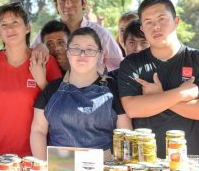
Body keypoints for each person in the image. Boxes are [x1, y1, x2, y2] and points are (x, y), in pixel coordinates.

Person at [118, 0, 199, 171]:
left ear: (176, 21)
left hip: (195, 165)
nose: (156, 26)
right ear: (142, 28)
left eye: (162, 19)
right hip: (148, 166)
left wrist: (158, 96)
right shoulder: (131, 64)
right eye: (148, 22)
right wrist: (181, 94)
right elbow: (133, 109)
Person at [31, 27, 131, 161]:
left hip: (103, 167)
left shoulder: (113, 89)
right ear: (68, 52)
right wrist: (42, 167)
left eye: (89, 49)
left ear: (99, 54)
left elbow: (126, 133)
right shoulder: (51, 89)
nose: (82, 55)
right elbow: (38, 131)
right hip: (61, 167)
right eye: (76, 49)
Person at [0, 2, 62, 156]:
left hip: (37, 156)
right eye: (4, 25)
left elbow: (60, 107)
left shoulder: (46, 61)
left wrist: (42, 82)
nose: (10, 29)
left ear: (27, 27)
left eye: (15, 22)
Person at [32, 0, 123, 71]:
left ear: (84, 3)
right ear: (56, 7)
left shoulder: (102, 34)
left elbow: (118, 70)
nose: (68, 4)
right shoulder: (44, 36)